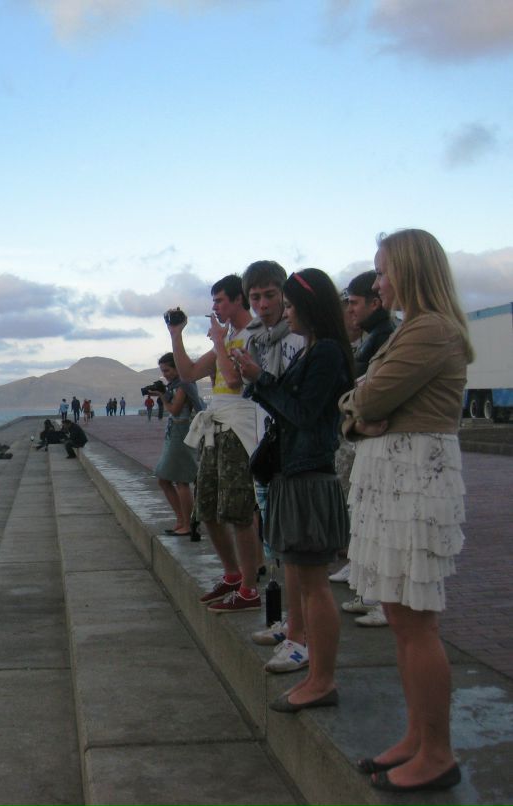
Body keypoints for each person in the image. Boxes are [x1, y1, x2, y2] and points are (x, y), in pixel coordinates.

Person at [339, 229, 471, 793]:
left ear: (411, 270)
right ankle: (416, 737)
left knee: (417, 623)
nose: (377, 282)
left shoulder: (432, 330)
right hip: (394, 476)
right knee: (399, 617)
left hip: (415, 476)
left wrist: (360, 405)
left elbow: (367, 398)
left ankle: (437, 752)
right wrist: (359, 409)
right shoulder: (411, 330)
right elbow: (356, 404)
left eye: (384, 270)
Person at [234, 268, 353, 713]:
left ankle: (322, 681)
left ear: (305, 306)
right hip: (295, 474)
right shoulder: (316, 352)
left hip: (308, 477)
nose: (282, 311)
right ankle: (313, 670)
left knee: (314, 585)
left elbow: (302, 413)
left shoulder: (325, 355)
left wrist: (260, 381)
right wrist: (257, 379)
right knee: (303, 582)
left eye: (287, 305)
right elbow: (291, 407)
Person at [171, 274, 263, 613]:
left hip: (240, 427)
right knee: (207, 506)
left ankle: (250, 588)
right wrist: (176, 335)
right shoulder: (228, 339)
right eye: (213, 301)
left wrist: (221, 344)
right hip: (216, 426)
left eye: (220, 300)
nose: (215, 308)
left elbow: (237, 381)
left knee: (238, 510)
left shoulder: (253, 336)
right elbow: (190, 373)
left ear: (239, 299)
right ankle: (232, 573)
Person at [240, 260, 308, 672]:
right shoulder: (257, 340)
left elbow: (292, 400)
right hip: (270, 449)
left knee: (297, 551)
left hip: (296, 455)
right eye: (256, 298)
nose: (263, 305)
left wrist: (259, 379)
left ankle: (301, 635)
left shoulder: (298, 340)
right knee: (278, 543)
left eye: (270, 295)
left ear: (285, 294)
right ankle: (288, 623)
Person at [332, 269, 399, 627]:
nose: (351, 311)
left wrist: (353, 412)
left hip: (383, 445)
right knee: (362, 511)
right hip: (368, 442)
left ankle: (381, 596)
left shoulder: (386, 335)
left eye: (355, 303)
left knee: (380, 519)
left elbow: (362, 391)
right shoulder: (378, 336)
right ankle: (367, 582)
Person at [153, 352, 204, 537]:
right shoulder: (177, 385)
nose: (165, 374)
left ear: (176, 367)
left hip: (181, 434)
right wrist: (164, 393)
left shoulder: (184, 384)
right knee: (164, 479)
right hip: (174, 433)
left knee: (181, 480)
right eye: (163, 371)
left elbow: (174, 410)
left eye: (167, 370)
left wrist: (163, 397)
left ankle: (188, 524)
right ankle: (182, 520)